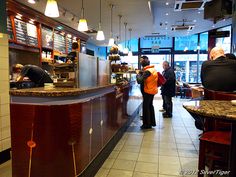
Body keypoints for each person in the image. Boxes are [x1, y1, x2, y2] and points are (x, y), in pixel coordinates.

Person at [136, 56, 158, 129]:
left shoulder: (148, 71)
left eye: (141, 61)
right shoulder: (152, 69)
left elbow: (139, 81)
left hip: (147, 91)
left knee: (146, 107)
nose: (140, 62)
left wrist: (138, 73)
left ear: (144, 62)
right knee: (149, 106)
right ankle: (151, 122)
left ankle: (147, 124)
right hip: (151, 90)